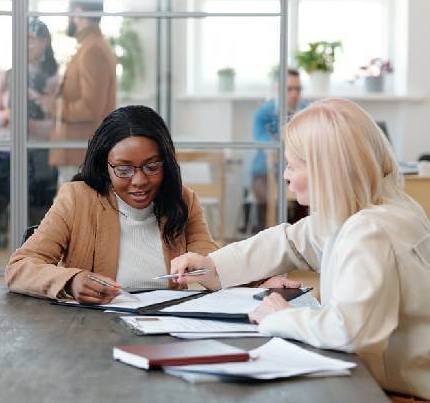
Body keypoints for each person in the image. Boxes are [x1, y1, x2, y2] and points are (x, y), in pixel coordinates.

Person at [171, 98, 430, 400]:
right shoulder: (386, 206)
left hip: (398, 394)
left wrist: (280, 315)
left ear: (327, 169)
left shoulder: (369, 230)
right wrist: (212, 266)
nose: (285, 175)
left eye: (293, 165)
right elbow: (292, 240)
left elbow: (350, 332)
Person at [5, 105, 218, 303]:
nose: (139, 181)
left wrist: (215, 269)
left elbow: (218, 268)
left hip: (164, 327)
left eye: (152, 167)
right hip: (94, 329)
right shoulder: (77, 199)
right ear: (104, 166)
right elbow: (19, 268)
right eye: (123, 170)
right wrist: (71, 281)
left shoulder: (183, 201)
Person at [0, 18, 59, 272]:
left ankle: (36, 276)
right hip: (8, 154)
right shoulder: (7, 75)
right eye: (23, 38)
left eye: (32, 38)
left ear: (45, 42)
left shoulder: (52, 79)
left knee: (40, 223)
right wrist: (10, 115)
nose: (27, 44)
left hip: (39, 157)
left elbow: (54, 126)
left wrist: (29, 116)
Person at [46, 0, 117, 182]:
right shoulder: (90, 47)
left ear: (77, 12)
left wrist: (53, 106)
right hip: (78, 155)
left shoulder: (92, 50)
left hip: (79, 156)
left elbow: (90, 108)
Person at [250, 68, 307, 229]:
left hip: (298, 170)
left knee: (308, 189)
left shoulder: (307, 111)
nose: (295, 94)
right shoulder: (263, 113)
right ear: (277, 90)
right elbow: (262, 141)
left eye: (298, 89)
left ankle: (300, 238)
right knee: (265, 196)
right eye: (290, 89)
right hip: (266, 172)